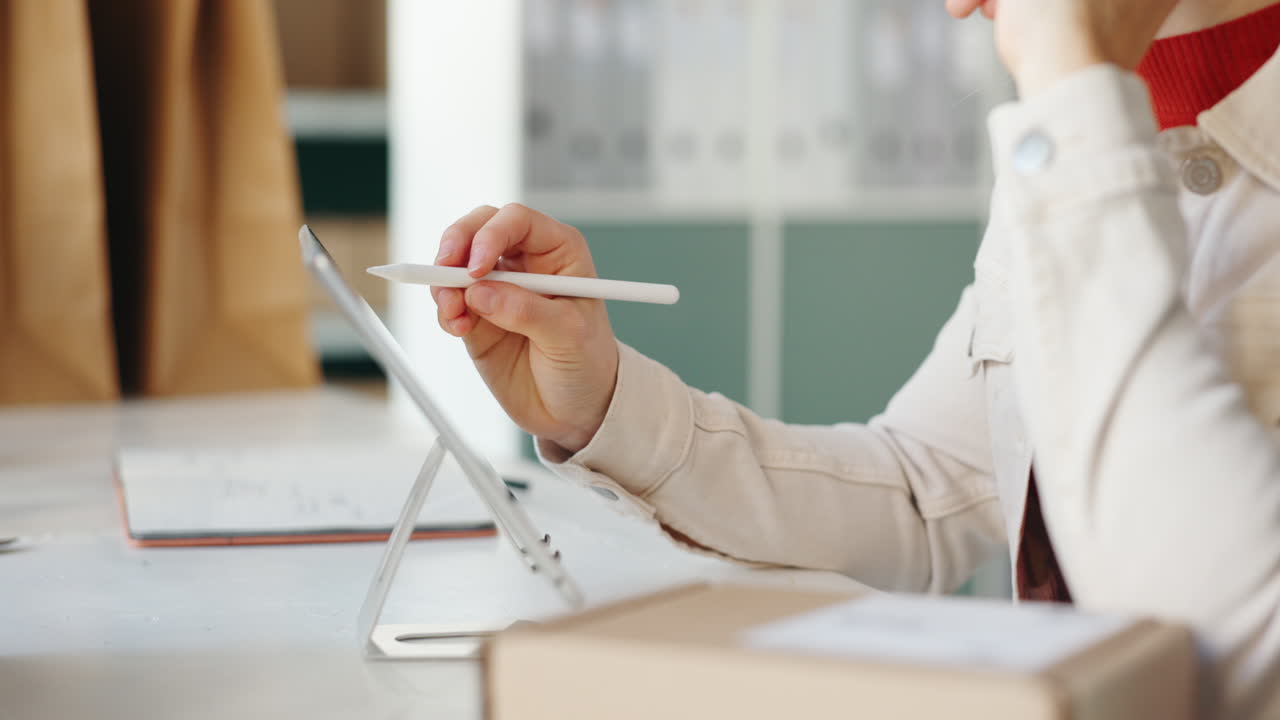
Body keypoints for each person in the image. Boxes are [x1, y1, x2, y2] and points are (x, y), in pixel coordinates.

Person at [431, 0, 1280, 716]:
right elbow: (924, 490)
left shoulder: (1070, 113)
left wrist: (1070, 78)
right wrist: (605, 403)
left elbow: (1226, 658)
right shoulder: (1076, 119)